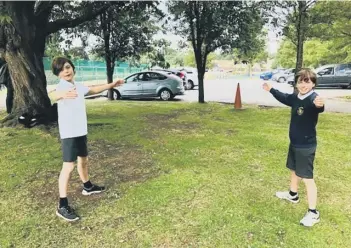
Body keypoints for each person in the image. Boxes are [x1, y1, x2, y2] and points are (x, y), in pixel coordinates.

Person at [50, 57, 124, 222]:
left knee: (84, 160)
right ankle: (62, 205)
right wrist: (61, 94)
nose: (66, 71)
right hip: (69, 133)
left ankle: (87, 186)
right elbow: (53, 95)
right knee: (68, 167)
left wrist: (112, 84)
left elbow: (94, 89)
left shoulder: (77, 86)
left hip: (80, 130)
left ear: (73, 68)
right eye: (61, 70)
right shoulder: (62, 87)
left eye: (68, 67)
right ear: (58, 74)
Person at [262, 68, 325, 227]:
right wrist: (271, 90)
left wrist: (320, 104)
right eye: (300, 81)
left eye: (307, 81)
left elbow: (319, 106)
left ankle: (313, 213)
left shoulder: (313, 98)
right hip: (295, 143)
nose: (304, 85)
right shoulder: (296, 97)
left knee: (307, 179)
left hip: (306, 146)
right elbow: (284, 98)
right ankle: (293, 194)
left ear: (313, 84)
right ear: (296, 83)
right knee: (293, 169)